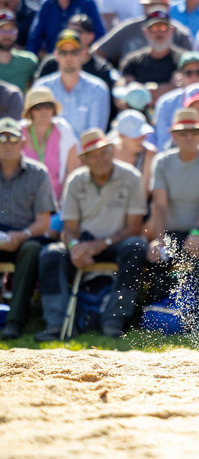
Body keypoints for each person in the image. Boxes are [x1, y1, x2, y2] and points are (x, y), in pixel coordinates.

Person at [35, 129, 147, 341]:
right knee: (51, 253)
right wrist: (74, 248)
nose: (100, 159)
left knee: (136, 246)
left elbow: (134, 227)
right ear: (84, 160)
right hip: (84, 243)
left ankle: (114, 320)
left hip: (117, 242)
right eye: (93, 155)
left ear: (112, 152)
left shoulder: (131, 176)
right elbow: (70, 228)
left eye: (104, 152)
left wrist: (101, 244)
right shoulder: (75, 180)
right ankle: (56, 324)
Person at [147, 107, 199, 331]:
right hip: (175, 232)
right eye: (183, 132)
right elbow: (159, 205)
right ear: (173, 135)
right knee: (158, 256)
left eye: (194, 132)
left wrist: (198, 231)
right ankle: (157, 313)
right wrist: (158, 240)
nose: (189, 137)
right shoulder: (162, 162)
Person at [0, 117, 56, 340]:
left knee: (32, 249)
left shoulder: (38, 173)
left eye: (13, 139)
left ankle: (15, 321)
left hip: (25, 237)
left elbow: (44, 222)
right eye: (2, 139)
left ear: (23, 143)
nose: (8, 144)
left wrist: (22, 235)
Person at [35, 30, 110, 137]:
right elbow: (36, 130)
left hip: (84, 148)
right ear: (56, 54)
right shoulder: (41, 88)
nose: (68, 57)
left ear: (82, 54)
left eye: (74, 52)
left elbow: (95, 137)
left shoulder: (98, 89)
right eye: (63, 52)